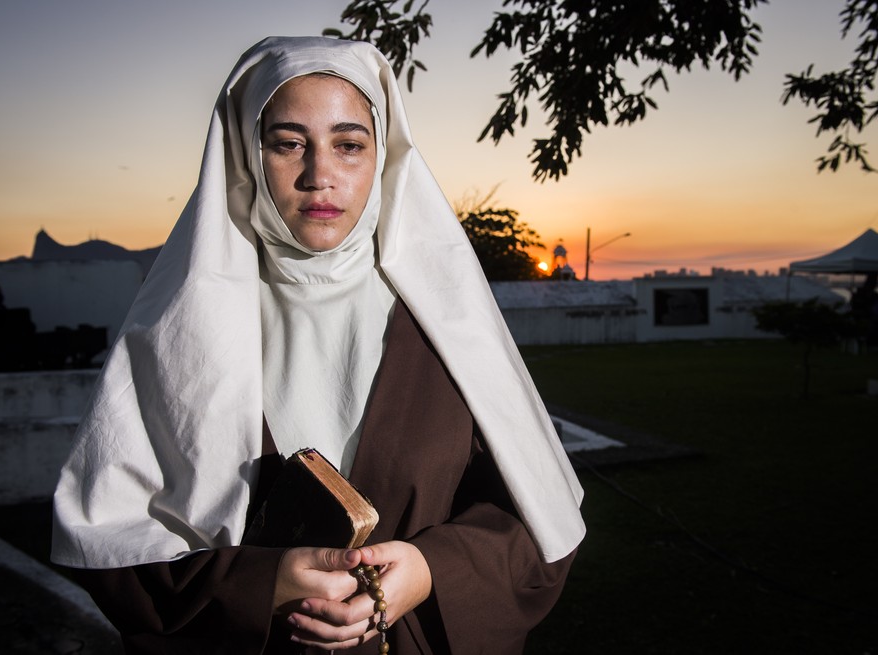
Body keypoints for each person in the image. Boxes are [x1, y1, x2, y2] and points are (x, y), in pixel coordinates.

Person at [50, 36, 584, 654]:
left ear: (382, 158)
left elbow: (536, 518)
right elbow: (109, 543)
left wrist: (432, 569)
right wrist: (258, 585)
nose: (320, 174)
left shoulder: (446, 324)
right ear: (247, 155)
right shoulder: (175, 335)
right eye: (288, 143)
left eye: (349, 145)